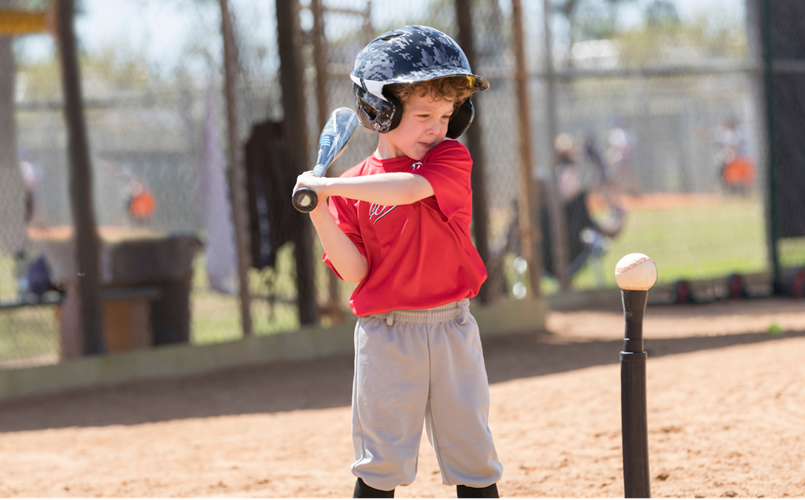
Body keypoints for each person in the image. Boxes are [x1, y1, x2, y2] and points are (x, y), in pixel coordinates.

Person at [293, 25, 503, 499]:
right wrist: (319, 210)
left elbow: (407, 191)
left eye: (447, 113)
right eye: (424, 113)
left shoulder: (448, 160)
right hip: (386, 335)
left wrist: (327, 187)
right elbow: (355, 272)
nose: (438, 126)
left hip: (452, 327)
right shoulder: (350, 185)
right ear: (380, 112)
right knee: (381, 461)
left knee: (472, 454)